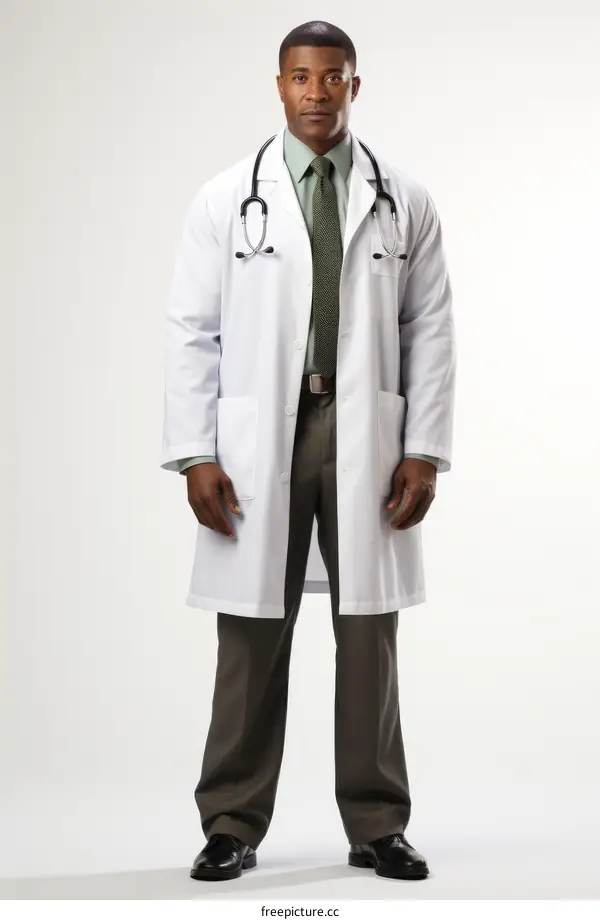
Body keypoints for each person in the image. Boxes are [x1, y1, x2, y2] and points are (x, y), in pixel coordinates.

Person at [160, 20, 456, 882]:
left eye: (333, 77)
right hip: (261, 440)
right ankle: (230, 823)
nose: (317, 92)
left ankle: (376, 823)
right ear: (280, 85)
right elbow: (190, 330)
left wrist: (425, 448)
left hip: (369, 434)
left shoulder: (405, 198)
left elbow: (430, 328)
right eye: (301, 76)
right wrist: (195, 452)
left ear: (354, 86)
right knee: (252, 635)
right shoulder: (225, 199)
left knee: (369, 631)